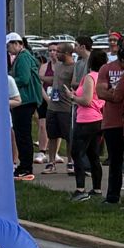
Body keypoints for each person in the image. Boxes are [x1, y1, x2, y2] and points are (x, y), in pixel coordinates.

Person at [68, 50, 107, 201]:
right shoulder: (103, 78)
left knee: (77, 153)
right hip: (99, 119)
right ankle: (96, 189)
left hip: (86, 120)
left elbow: (86, 100)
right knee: (93, 155)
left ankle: (80, 190)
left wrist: (72, 96)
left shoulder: (90, 77)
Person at [7, 33, 44, 180]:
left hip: (24, 100)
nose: (8, 49)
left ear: (17, 44)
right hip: (26, 100)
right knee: (23, 134)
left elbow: (23, 78)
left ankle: (26, 167)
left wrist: (8, 80)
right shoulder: (25, 56)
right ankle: (25, 165)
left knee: (23, 135)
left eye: (9, 46)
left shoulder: (22, 58)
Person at [97, 48, 124, 205]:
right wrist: (115, 96)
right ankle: (112, 197)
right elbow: (101, 92)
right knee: (115, 160)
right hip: (112, 121)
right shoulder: (106, 68)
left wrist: (115, 94)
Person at [42, 43, 76, 174]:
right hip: (53, 106)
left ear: (67, 53)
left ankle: (71, 162)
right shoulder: (59, 66)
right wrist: (39, 77)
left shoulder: (74, 67)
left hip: (66, 107)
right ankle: (51, 163)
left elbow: (75, 85)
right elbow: (54, 80)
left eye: (59, 51)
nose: (56, 54)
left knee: (69, 137)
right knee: (52, 135)